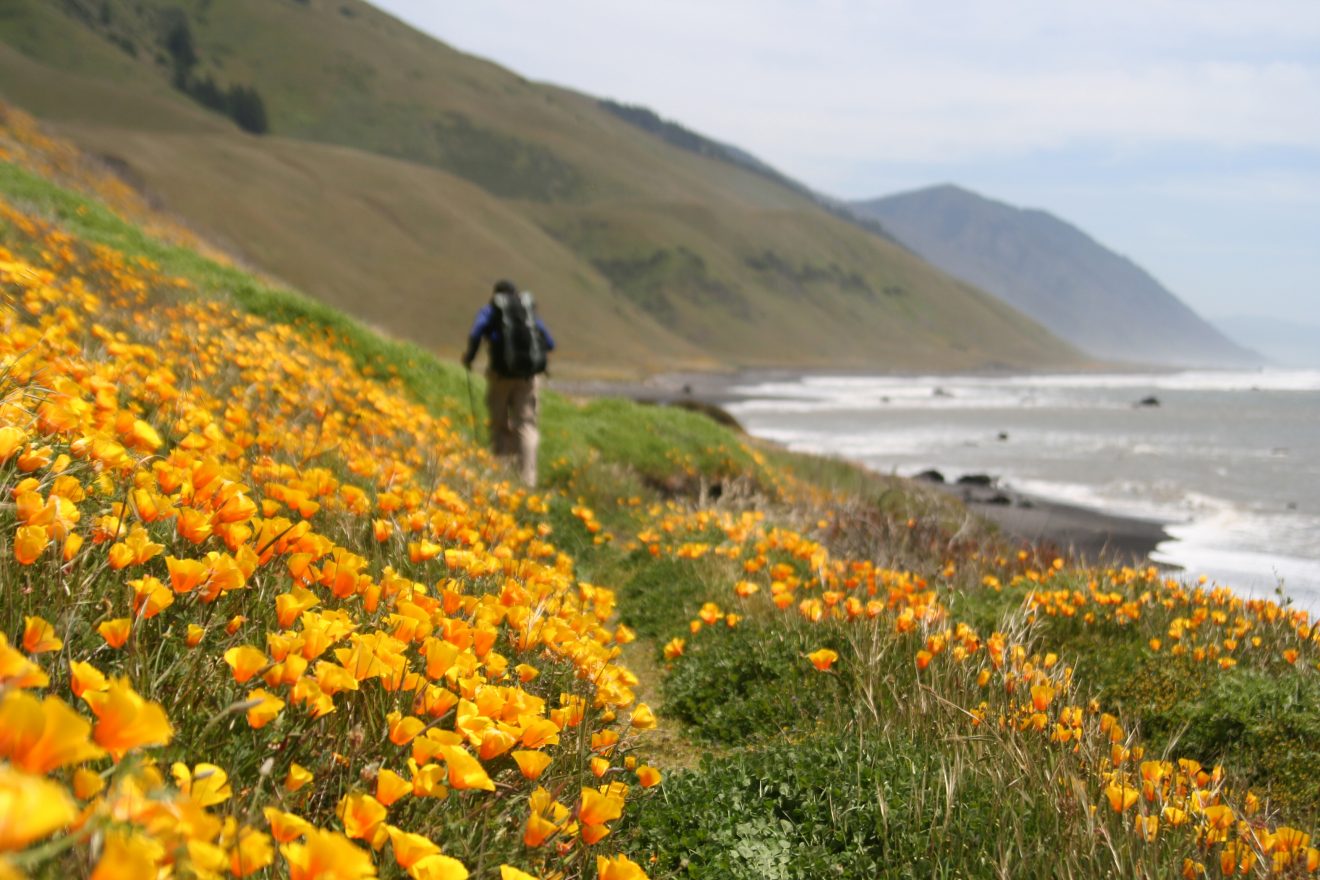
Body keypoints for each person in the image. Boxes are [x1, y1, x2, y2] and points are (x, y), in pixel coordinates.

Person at [461, 279, 554, 486]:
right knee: (526, 425)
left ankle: (502, 478)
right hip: (528, 379)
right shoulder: (527, 313)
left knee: (500, 424)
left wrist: (469, 358)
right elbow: (549, 342)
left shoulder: (490, 310)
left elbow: (476, 333)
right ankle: (528, 479)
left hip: (500, 377)